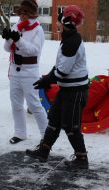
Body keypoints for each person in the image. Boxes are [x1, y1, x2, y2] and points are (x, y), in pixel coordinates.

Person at [26, 5, 89, 169]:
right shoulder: (68, 38)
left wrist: (48, 81)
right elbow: (59, 66)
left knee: (71, 125)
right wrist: (47, 77)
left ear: (67, 21)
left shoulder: (72, 42)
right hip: (67, 89)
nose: (58, 23)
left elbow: (63, 71)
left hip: (75, 91)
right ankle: (44, 151)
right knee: (54, 119)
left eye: (60, 20)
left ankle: (82, 159)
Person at [2, 0, 48, 144]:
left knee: (34, 104)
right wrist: (8, 38)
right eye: (20, 12)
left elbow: (34, 50)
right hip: (15, 70)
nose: (21, 15)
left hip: (29, 71)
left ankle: (46, 136)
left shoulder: (37, 29)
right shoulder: (17, 26)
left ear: (31, 13)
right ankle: (20, 133)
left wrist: (19, 40)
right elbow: (6, 48)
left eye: (25, 12)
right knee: (16, 104)